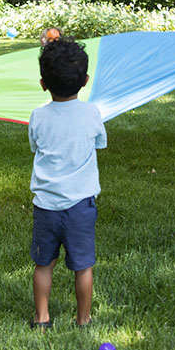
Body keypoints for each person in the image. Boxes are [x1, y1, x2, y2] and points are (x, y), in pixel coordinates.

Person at [28, 36, 107, 329]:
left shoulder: (38, 116)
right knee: (83, 266)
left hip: (45, 206)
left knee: (43, 264)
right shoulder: (92, 113)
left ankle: (42, 317)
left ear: (43, 83)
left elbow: (35, 147)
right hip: (80, 207)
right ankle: (83, 320)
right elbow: (99, 142)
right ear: (85, 80)